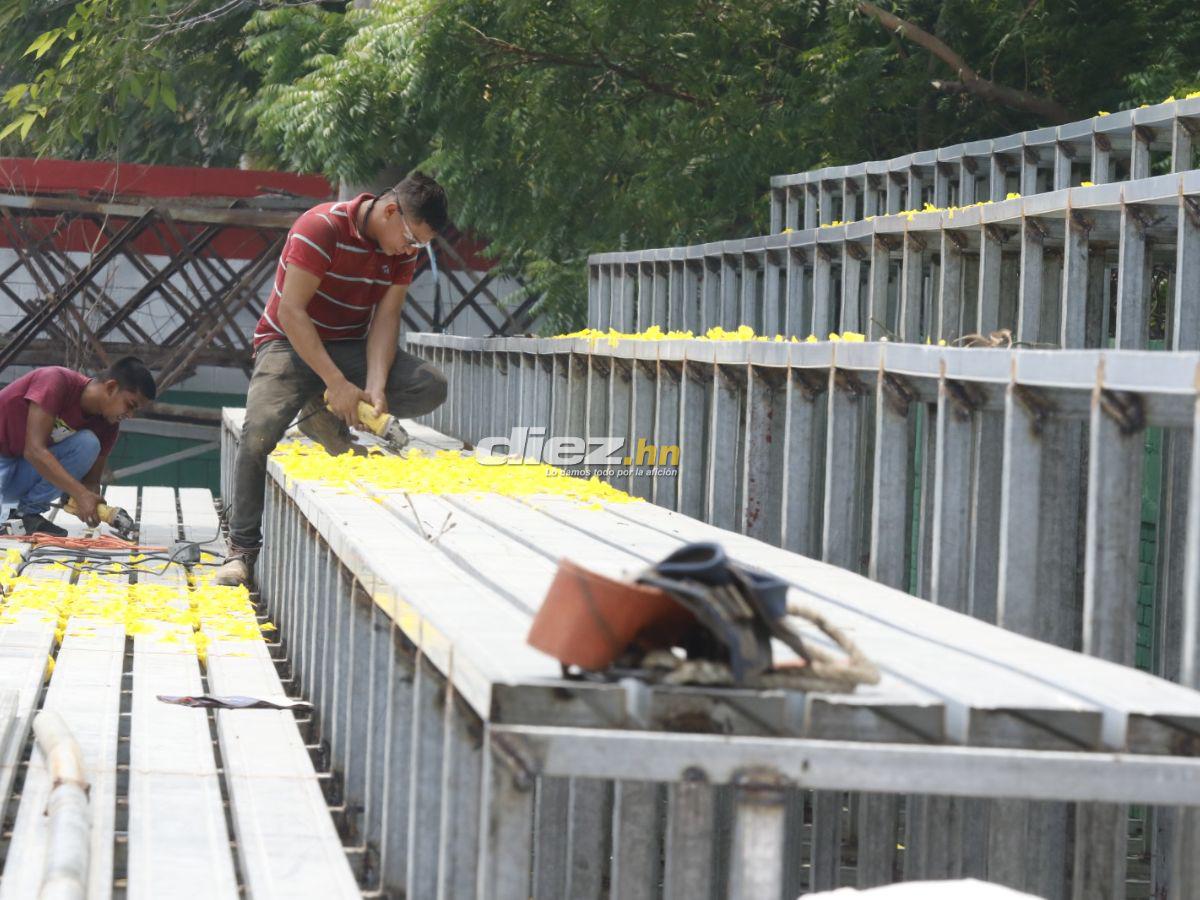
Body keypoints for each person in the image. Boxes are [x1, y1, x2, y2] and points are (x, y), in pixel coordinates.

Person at [214, 171, 449, 586]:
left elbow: (386, 319)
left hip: (348, 345)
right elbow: (292, 313)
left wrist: (374, 386)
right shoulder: (320, 227)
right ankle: (241, 550)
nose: (410, 249)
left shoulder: (400, 252)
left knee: (429, 384)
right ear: (391, 211)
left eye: (419, 246)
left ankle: (321, 404)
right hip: (287, 342)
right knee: (258, 435)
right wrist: (337, 384)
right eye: (411, 239)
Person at [0, 357, 156, 537]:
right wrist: (81, 494)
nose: (130, 415)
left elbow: (90, 483)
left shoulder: (107, 425)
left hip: (18, 468)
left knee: (88, 443)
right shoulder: (55, 380)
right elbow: (34, 450)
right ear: (111, 387)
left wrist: (95, 508)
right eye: (130, 405)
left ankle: (27, 514)